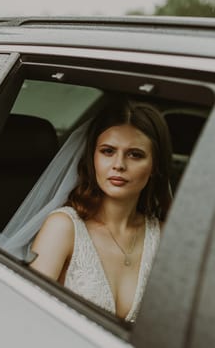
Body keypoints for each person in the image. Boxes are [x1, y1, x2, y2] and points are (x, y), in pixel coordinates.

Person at [29, 98, 172, 322]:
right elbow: (26, 316)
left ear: (154, 166)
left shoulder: (166, 238)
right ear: (92, 157)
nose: (119, 164)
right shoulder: (64, 228)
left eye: (135, 154)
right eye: (107, 151)